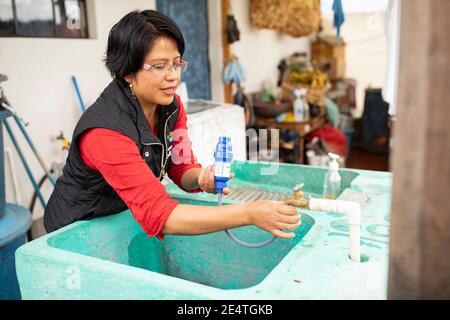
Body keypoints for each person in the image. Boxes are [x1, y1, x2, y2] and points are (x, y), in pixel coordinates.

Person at [43, 10, 300, 241]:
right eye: (159, 66)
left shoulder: (171, 106)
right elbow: (162, 216)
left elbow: (181, 166)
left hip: (118, 219)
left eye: (177, 63)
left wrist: (201, 177)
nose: (173, 75)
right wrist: (247, 213)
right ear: (128, 72)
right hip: (75, 232)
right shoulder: (105, 133)